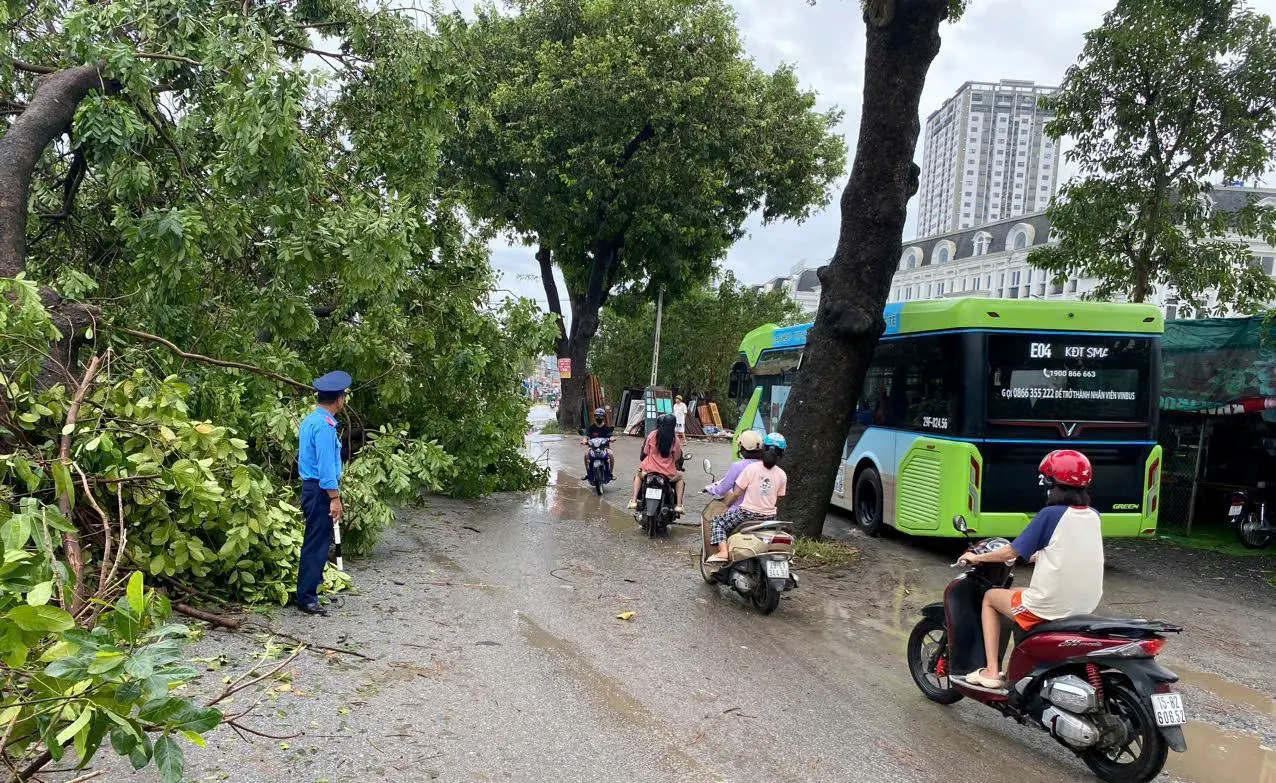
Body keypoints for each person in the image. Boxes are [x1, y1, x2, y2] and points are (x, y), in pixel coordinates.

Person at [959, 450, 1104, 689]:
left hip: (1050, 605)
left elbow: (1009, 553)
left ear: (1051, 483)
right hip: (1085, 605)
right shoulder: (1094, 515)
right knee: (1017, 593)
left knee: (990, 598)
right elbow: (1073, 548)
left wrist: (976, 557)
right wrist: (1041, 555)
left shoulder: (1050, 515)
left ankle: (992, 672)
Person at [296, 370, 352, 617]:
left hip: (311, 488)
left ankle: (309, 591)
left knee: (315, 540)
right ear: (339, 399)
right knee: (317, 544)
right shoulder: (325, 427)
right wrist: (335, 498)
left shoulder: (311, 420)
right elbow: (326, 467)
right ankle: (307, 598)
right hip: (320, 490)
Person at [706, 433, 788, 562]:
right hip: (770, 517)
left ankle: (723, 552)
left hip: (747, 513)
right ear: (782, 454)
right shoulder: (782, 474)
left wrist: (727, 506)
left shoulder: (751, 469)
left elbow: (736, 493)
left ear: (764, 449)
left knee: (718, 522)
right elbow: (778, 497)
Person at [629, 413, 685, 513]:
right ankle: (679, 505)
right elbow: (676, 457)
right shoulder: (675, 439)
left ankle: (633, 501)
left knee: (638, 474)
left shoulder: (652, 434)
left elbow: (646, 452)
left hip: (648, 470)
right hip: (667, 474)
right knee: (680, 477)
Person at [704, 430, 765, 507]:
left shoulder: (738, 466)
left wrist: (711, 489)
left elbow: (723, 489)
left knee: (717, 518)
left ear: (742, 448)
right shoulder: (768, 466)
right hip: (766, 512)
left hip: (742, 510)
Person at [581, 407, 615, 481]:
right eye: (597, 416)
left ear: (603, 417)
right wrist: (584, 440)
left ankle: (611, 473)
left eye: (600, 416)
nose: (598, 418)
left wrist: (612, 438)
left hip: (604, 447)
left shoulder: (606, 428)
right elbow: (586, 436)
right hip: (593, 447)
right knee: (586, 455)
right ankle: (588, 473)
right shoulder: (591, 428)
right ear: (594, 417)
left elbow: (611, 436)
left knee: (611, 455)